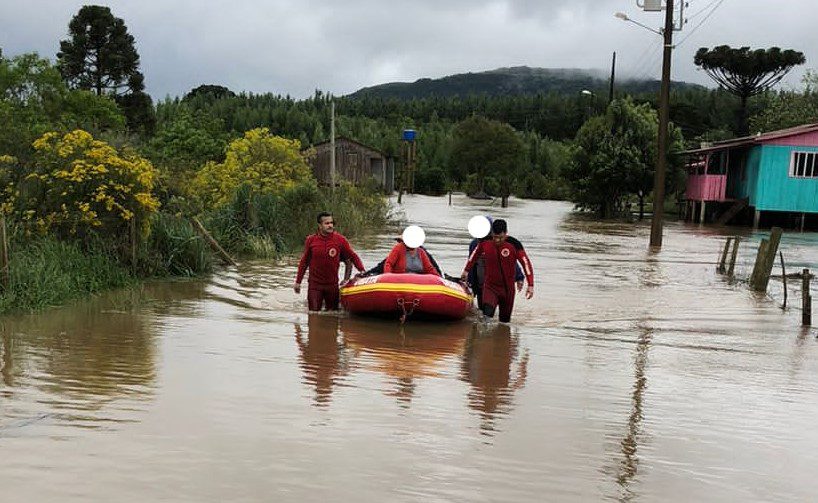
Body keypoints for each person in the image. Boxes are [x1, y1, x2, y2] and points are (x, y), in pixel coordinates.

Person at [460, 219, 534, 323]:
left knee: (504, 323)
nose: (497, 240)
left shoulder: (514, 244)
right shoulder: (485, 241)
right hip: (491, 287)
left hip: (507, 290)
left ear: (506, 233)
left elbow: (526, 264)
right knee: (486, 317)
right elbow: (474, 255)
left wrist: (530, 285)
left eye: (500, 237)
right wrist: (466, 271)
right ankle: (484, 338)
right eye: (495, 237)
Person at [294, 212, 365, 311]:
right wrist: (298, 282)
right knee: (314, 315)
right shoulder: (311, 240)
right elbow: (304, 262)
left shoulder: (340, 240)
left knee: (332, 317)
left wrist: (362, 270)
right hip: (315, 286)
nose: (330, 225)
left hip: (332, 286)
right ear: (320, 225)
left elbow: (352, 257)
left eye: (331, 223)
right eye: (327, 223)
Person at [467, 216, 525, 309]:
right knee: (484, 310)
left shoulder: (502, 244)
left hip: (498, 284)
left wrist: (519, 277)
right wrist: (470, 284)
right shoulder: (474, 244)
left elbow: (511, 262)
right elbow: (471, 264)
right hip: (481, 285)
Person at [361, 237, 442, 277]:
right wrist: (387, 277)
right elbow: (387, 264)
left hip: (418, 281)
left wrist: (439, 279)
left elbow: (430, 268)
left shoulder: (422, 252)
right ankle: (367, 274)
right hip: (400, 280)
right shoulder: (398, 249)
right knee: (378, 269)